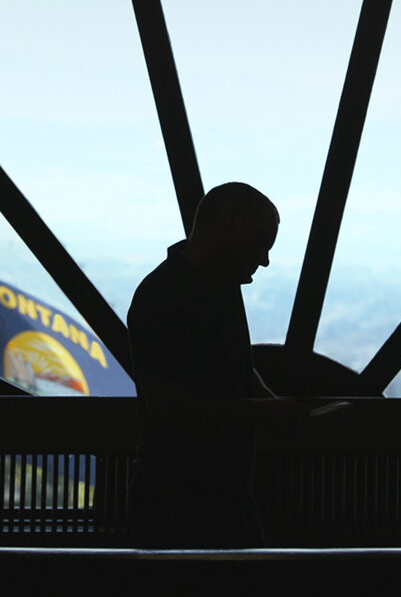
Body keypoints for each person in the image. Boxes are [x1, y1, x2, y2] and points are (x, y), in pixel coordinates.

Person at [125, 182, 304, 548]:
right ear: (230, 221)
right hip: (193, 505)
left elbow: (175, 402)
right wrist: (265, 411)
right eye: (262, 241)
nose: (265, 259)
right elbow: (171, 411)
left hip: (176, 502)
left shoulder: (167, 293)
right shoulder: (184, 294)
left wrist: (266, 404)